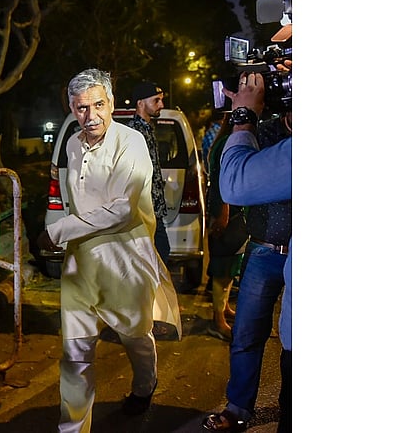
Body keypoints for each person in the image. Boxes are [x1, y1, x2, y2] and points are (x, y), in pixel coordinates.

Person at [36, 68, 182, 433]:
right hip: (82, 260)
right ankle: (73, 428)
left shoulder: (131, 142)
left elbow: (122, 209)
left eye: (98, 105)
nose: (91, 116)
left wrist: (58, 231)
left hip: (124, 259)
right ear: (71, 107)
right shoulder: (71, 143)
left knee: (135, 335)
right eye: (81, 108)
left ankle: (145, 384)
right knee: (75, 352)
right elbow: (75, 201)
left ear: (112, 103)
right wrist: (70, 234)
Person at [201, 67, 293, 433]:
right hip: (264, 249)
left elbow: (237, 181)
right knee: (246, 335)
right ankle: (238, 407)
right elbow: (224, 165)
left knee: (292, 346)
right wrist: (242, 121)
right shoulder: (265, 132)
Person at [204, 111, 245, 341]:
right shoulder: (224, 145)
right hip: (225, 213)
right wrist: (223, 214)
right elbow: (222, 183)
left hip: (231, 213)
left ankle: (224, 308)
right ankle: (217, 320)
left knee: (230, 266)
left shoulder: (225, 141)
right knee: (222, 267)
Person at [126, 81, 171, 268]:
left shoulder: (148, 128)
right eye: (156, 100)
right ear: (140, 103)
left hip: (153, 207)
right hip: (143, 208)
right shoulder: (133, 131)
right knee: (157, 252)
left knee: (158, 254)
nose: (161, 105)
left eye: (161, 100)